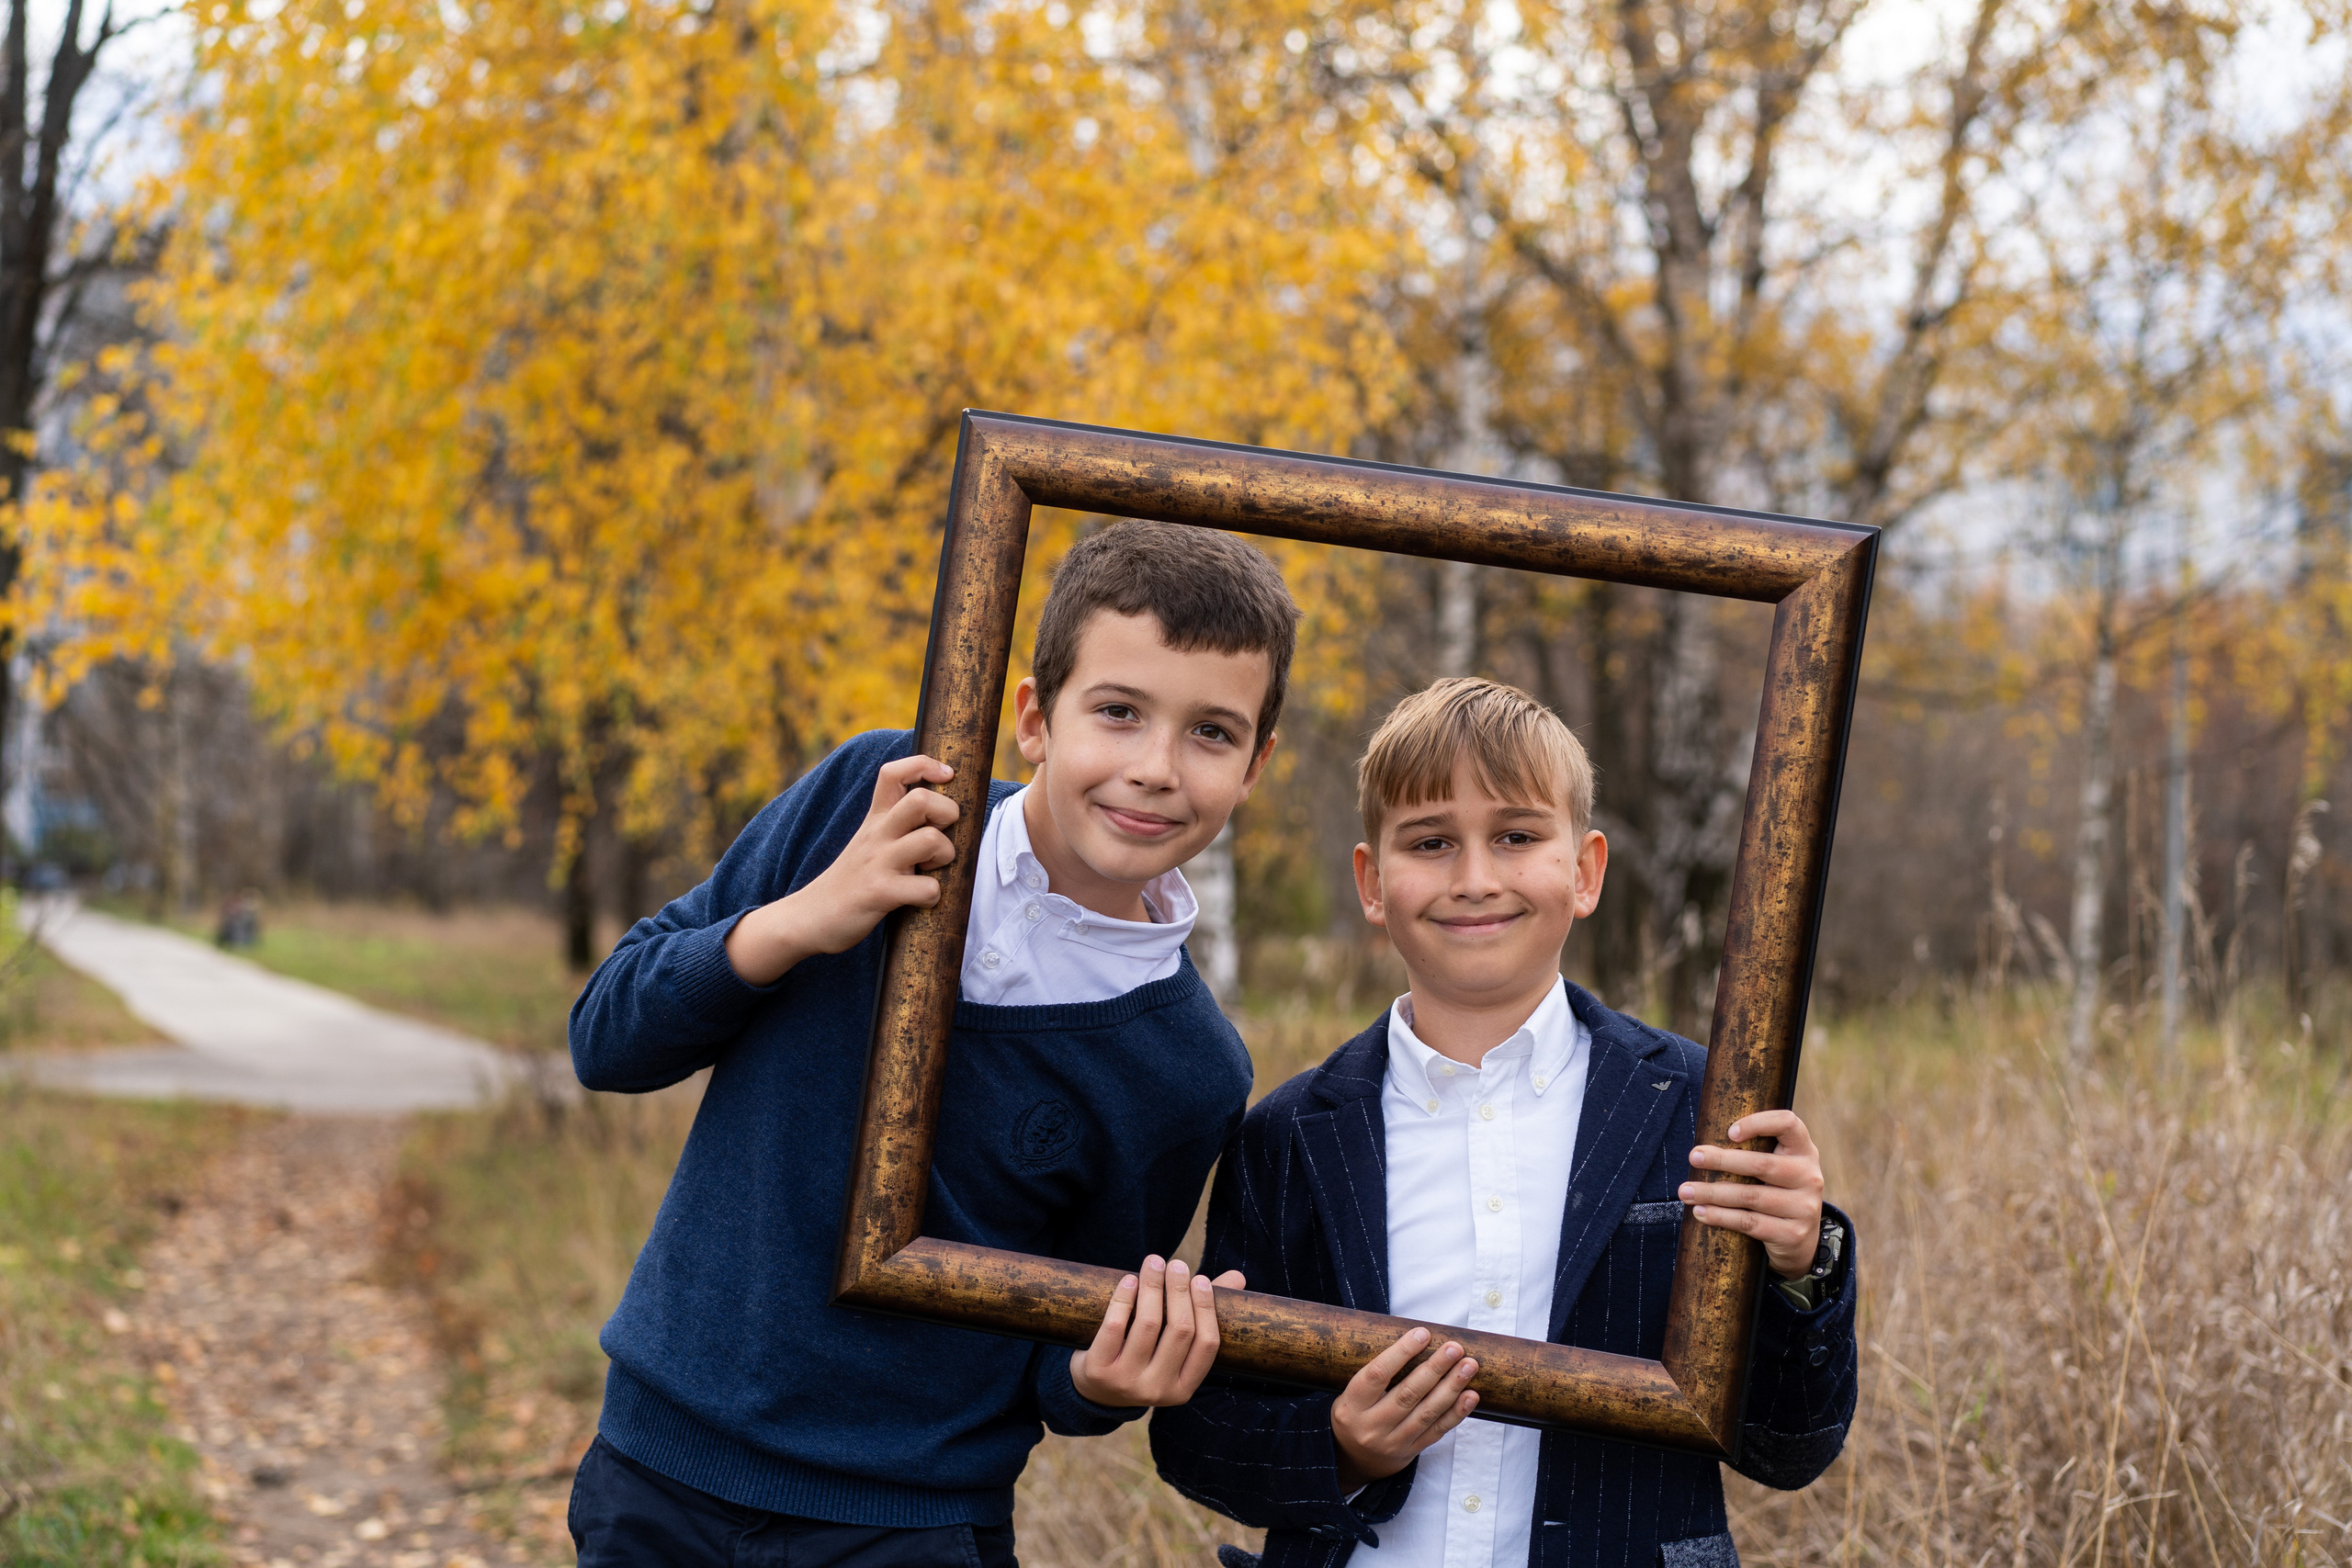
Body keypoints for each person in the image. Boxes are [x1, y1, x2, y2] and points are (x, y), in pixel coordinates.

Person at [566, 520, 1300, 1567]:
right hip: (659, 1470)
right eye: (1119, 712)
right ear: (1036, 718)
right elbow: (606, 1039)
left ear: (1256, 763)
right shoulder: (876, 802)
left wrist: (1101, 1382)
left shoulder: (1187, 1069)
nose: (1155, 768)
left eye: (1211, 734)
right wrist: (804, 919)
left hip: (909, 1524)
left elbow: (1057, 1358)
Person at [1149, 677, 1858, 1568]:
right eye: (1431, 842)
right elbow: (1198, 1435)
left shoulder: (1701, 1106)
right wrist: (1340, 1445)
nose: (1474, 878)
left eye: (1516, 837)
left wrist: (1800, 1264)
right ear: (1372, 883)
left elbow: (1788, 1447)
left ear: (1585, 869)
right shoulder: (1287, 1137)